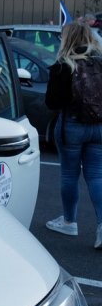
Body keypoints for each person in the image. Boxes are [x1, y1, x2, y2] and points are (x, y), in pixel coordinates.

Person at [44, 20, 102, 249]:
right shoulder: (100, 62)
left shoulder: (62, 66)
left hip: (72, 126)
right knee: (97, 176)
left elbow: (52, 103)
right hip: (99, 126)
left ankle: (69, 222)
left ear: (66, 39)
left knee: (69, 175)